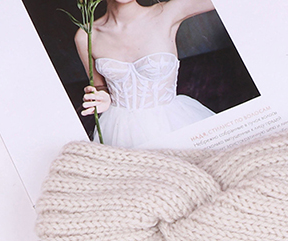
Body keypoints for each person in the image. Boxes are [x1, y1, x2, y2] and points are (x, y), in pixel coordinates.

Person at [75, 0, 216, 148]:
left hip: (172, 122)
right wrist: (103, 97)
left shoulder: (168, 12)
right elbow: (100, 87)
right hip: (119, 130)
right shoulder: (86, 35)